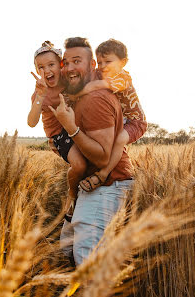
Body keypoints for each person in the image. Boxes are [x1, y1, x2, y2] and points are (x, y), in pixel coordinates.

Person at [49, 37, 134, 265]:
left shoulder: (96, 96)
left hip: (107, 184)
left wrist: (70, 127)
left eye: (77, 61)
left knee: (87, 259)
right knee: (69, 251)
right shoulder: (82, 93)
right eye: (66, 62)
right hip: (91, 184)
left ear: (92, 66)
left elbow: (102, 154)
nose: (69, 68)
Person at [76, 39, 147, 192]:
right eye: (99, 62)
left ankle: (103, 174)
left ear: (123, 62)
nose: (102, 66)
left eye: (108, 61)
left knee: (120, 139)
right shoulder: (102, 73)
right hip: (121, 119)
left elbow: (95, 86)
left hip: (135, 122)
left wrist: (75, 95)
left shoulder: (123, 78)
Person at [27, 41, 87, 210]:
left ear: (61, 65)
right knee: (80, 165)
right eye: (41, 67)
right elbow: (31, 123)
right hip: (60, 135)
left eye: (51, 64)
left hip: (76, 124)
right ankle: (72, 194)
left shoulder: (69, 81)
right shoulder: (40, 93)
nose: (46, 71)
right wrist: (40, 95)